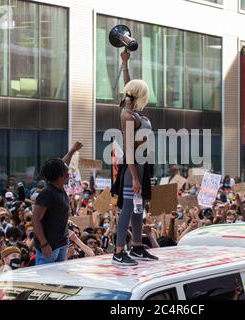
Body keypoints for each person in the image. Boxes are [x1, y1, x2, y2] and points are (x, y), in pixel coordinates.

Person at [111, 49, 158, 266]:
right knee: (128, 208)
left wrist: (125, 63)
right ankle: (119, 252)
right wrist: (135, 178)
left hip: (142, 165)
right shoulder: (127, 115)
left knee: (139, 207)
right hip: (133, 168)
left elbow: (129, 89)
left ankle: (137, 246)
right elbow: (129, 150)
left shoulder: (133, 110)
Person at [32, 142, 83, 265]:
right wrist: (44, 244)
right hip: (49, 247)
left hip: (60, 244)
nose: (68, 173)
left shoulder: (58, 186)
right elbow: (35, 219)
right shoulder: (47, 193)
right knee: (46, 282)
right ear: (60, 176)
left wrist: (72, 151)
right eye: (66, 171)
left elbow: (62, 163)